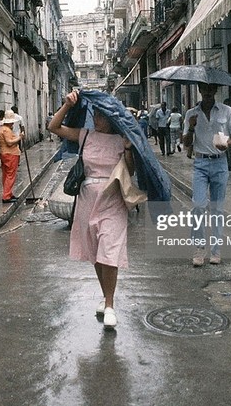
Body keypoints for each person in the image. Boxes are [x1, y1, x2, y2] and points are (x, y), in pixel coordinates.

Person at [48, 90, 136, 331]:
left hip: (113, 198)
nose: (96, 118)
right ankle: (105, 295)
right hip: (88, 199)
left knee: (110, 249)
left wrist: (128, 148)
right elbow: (54, 127)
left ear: (111, 118)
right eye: (94, 114)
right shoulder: (85, 136)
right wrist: (67, 105)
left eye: (101, 115)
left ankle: (110, 304)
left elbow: (131, 170)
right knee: (97, 252)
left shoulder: (122, 139)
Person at [183, 82, 231, 266]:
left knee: (217, 209)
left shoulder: (226, 111)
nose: (207, 93)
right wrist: (191, 127)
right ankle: (199, 249)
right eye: (204, 89)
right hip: (200, 163)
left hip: (220, 163)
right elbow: (185, 142)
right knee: (198, 206)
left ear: (215, 90)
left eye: (211, 89)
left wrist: (229, 144)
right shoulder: (190, 114)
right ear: (200, 90)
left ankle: (215, 251)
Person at [0, 110, 25, 203]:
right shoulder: (6, 130)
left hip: (4, 153)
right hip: (10, 154)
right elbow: (9, 142)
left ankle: (8, 193)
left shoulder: (0, 129)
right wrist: (19, 137)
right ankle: (6, 195)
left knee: (6, 174)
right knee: (10, 175)